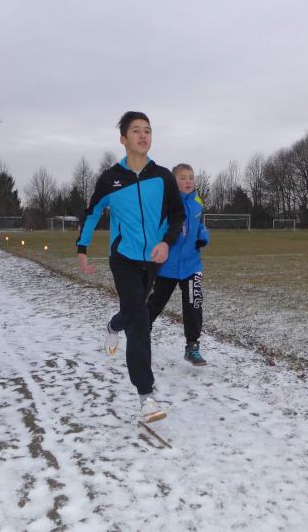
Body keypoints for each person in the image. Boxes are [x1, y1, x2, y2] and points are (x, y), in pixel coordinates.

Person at [76, 111, 184, 423]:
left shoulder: (163, 177)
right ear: (123, 139)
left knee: (133, 310)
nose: (143, 135)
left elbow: (177, 215)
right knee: (140, 320)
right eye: (136, 130)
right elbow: (92, 212)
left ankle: (113, 325)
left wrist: (167, 242)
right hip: (123, 258)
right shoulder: (110, 178)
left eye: (147, 130)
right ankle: (146, 396)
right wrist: (82, 248)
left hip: (153, 259)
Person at [146, 163, 210, 366]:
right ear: (174, 182)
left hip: (192, 265)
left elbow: (200, 225)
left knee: (194, 303)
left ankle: (192, 347)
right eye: (182, 177)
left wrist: (203, 236)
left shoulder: (197, 202)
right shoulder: (166, 202)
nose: (188, 181)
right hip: (167, 265)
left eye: (191, 177)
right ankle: (141, 333)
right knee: (156, 302)